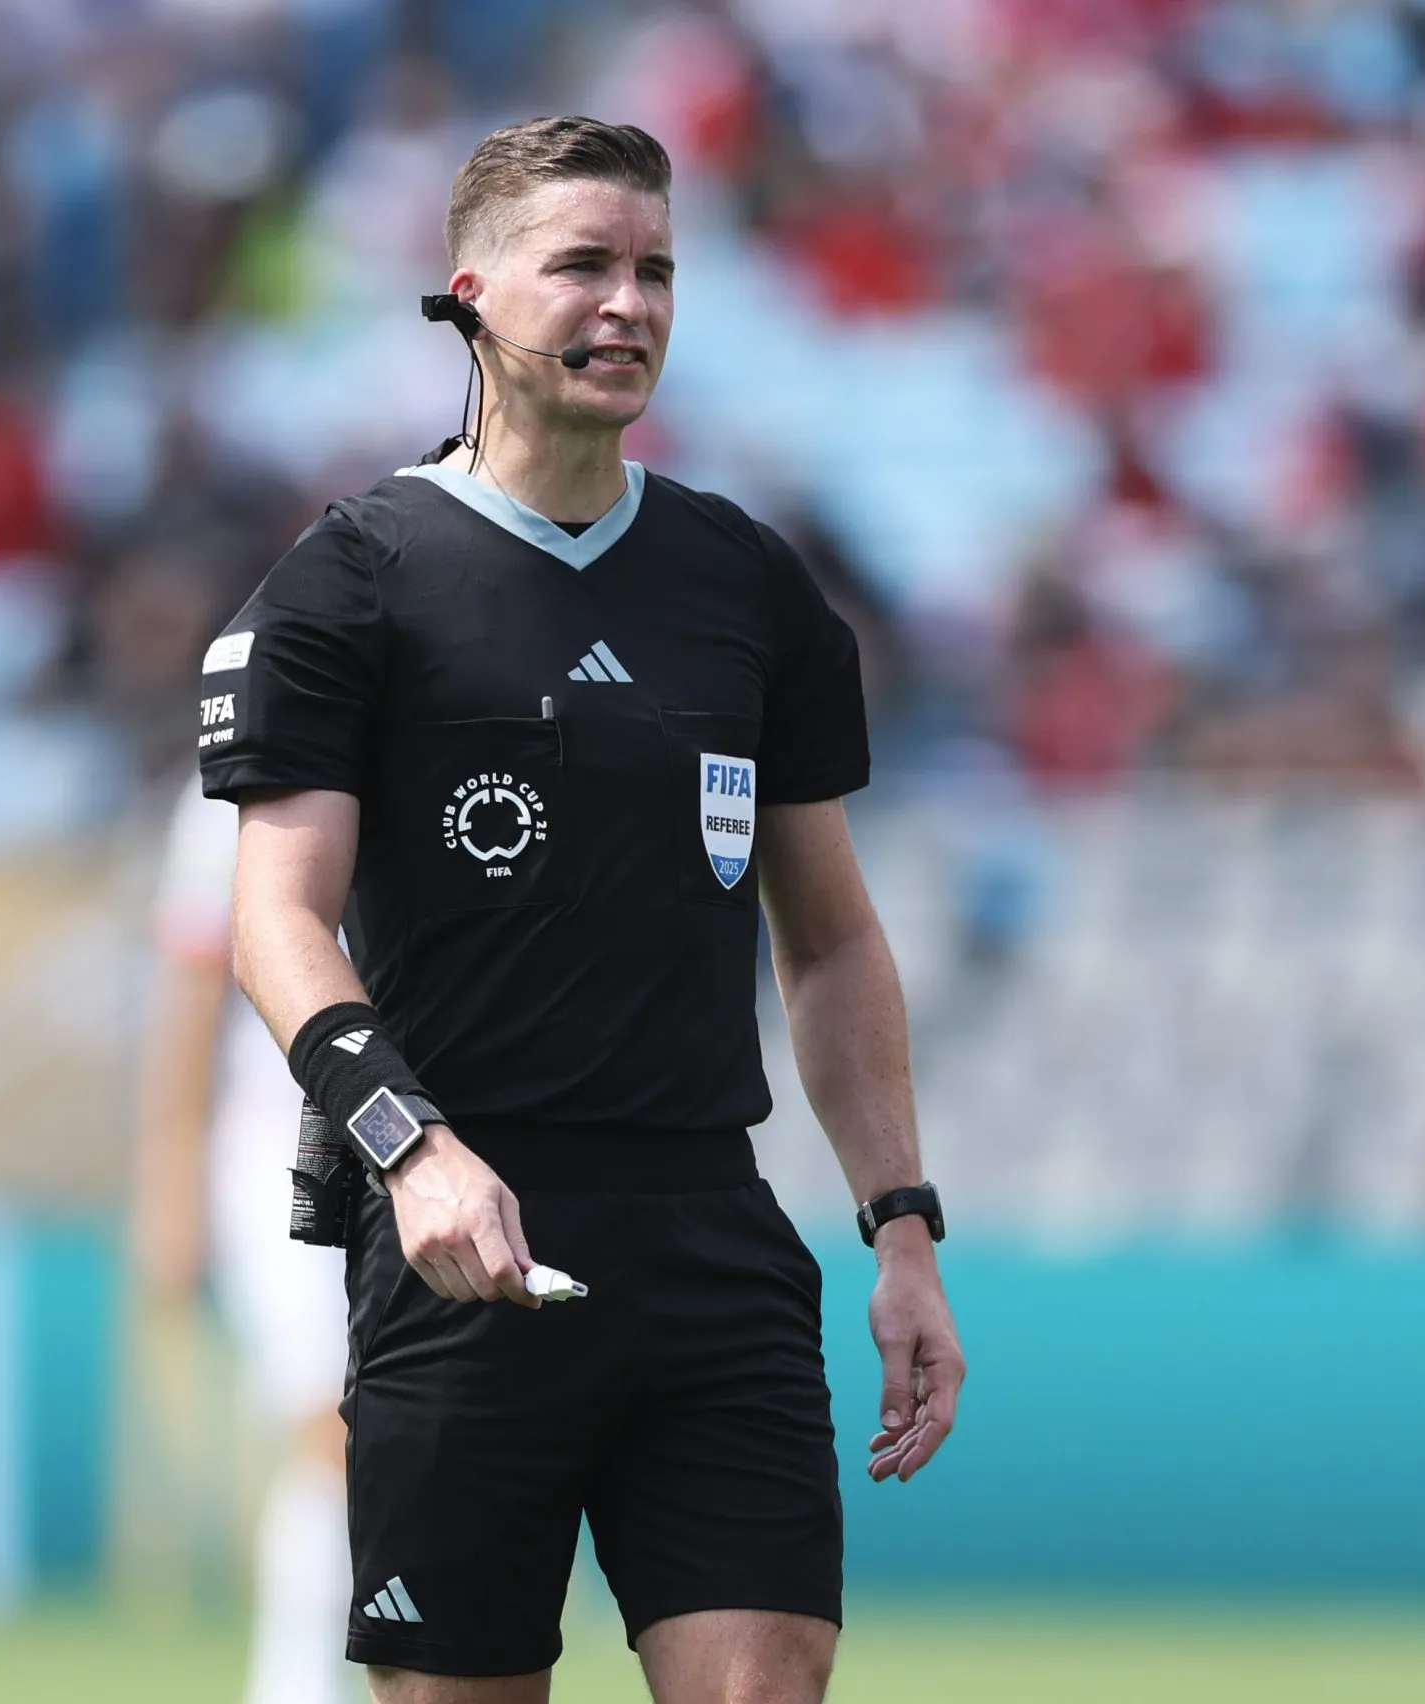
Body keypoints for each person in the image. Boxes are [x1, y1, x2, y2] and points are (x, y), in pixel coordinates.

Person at [198, 117, 965, 1703]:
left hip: (711, 1240)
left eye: (658, 270)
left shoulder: (746, 584)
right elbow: (275, 919)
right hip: (461, 1243)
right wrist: (411, 1149)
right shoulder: (354, 579)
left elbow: (828, 942)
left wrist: (904, 1230)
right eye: (587, 267)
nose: (631, 304)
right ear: (470, 293)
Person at [136, 782, 357, 1704]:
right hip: (292, 1147)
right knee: (336, 1427)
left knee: (403, 1436)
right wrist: (170, 1182)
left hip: (449, 1145)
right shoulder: (234, 783)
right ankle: (296, 1684)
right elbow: (191, 998)